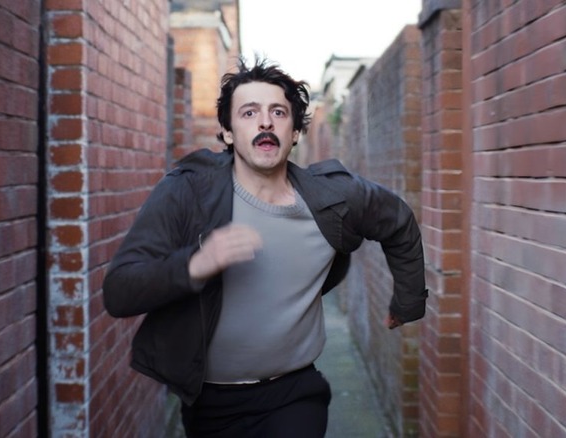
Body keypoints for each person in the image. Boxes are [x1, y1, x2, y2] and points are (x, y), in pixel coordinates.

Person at [103, 56, 428, 437]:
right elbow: (119, 291)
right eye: (248, 112)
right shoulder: (188, 192)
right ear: (227, 133)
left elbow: (398, 221)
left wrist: (408, 300)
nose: (265, 122)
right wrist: (194, 264)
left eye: (278, 111)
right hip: (209, 403)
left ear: (294, 132)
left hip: (293, 393)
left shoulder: (334, 198)